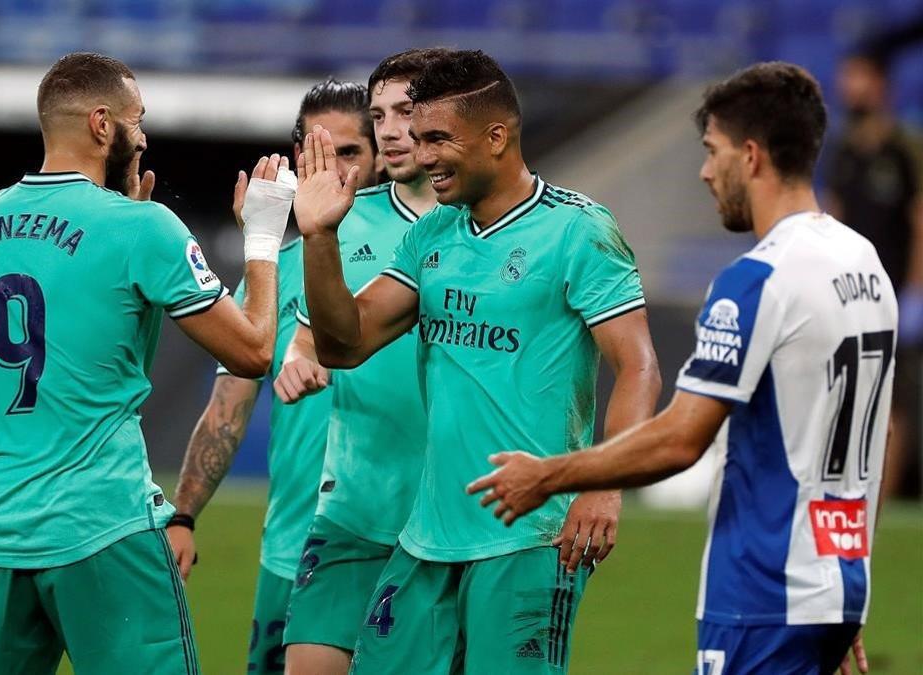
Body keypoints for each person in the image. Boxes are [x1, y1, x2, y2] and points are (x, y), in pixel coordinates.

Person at [469, 62, 895, 675]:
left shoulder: (757, 281)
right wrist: (850, 584)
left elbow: (680, 438)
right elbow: (871, 437)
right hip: (836, 580)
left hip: (763, 586)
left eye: (711, 151)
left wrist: (551, 475)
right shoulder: (864, 262)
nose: (703, 171)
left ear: (750, 156)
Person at [293, 49, 661, 673]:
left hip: (528, 537)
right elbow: (343, 343)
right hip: (425, 536)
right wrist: (321, 237)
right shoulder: (434, 233)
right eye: (417, 137)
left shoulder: (578, 232)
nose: (422, 154)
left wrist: (603, 484)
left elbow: (639, 367)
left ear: (497, 136)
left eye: (437, 138)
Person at [0, 52, 292, 675]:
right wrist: (265, 235)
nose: (144, 135)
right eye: (138, 120)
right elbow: (253, 350)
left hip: (0, 531)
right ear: (102, 125)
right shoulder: (143, 228)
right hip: (103, 524)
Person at [166, 77, 382, 675]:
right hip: (289, 546)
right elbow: (226, 409)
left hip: (389, 540)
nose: (332, 169)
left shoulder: (415, 256)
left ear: (381, 157)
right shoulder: (274, 273)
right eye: (317, 152)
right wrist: (184, 515)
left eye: (349, 153)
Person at [276, 48, 447, 675]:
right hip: (351, 506)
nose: (392, 130)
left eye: (406, 112)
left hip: (443, 519)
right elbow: (304, 336)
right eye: (379, 115)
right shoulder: (342, 220)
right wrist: (295, 362)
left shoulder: (484, 225)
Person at [826, 50, 923, 498]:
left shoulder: (904, 148)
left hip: (895, 290)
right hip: (848, 292)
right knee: (846, 388)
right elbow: (832, 214)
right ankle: (848, 487)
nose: (851, 87)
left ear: (880, 84)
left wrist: (916, 290)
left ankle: (881, 495)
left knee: (894, 396)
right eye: (848, 77)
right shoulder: (843, 149)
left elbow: (921, 219)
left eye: (860, 77)